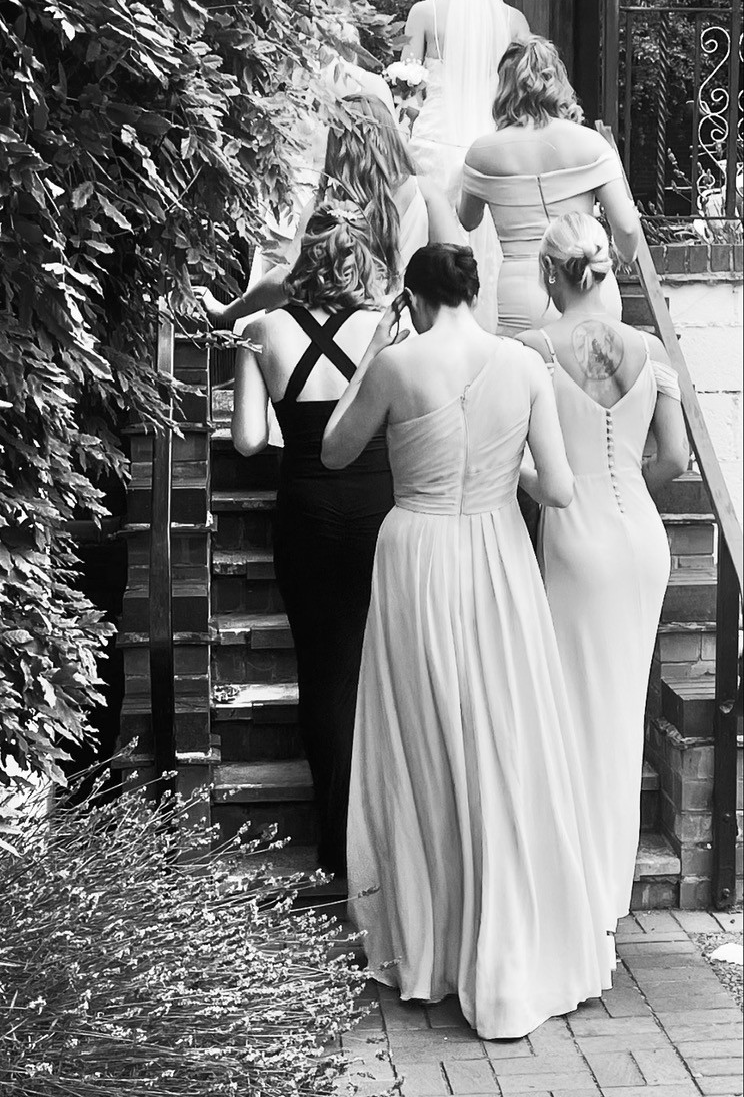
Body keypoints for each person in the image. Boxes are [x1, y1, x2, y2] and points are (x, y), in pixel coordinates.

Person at [322, 243, 613, 1039]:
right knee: (499, 737)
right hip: (497, 556)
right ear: (475, 293)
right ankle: (506, 937)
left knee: (421, 743)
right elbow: (559, 489)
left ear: (414, 299)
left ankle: (433, 946)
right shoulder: (522, 366)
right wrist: (502, 472)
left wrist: (371, 354)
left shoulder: (396, 364)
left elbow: (335, 450)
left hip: (416, 554)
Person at [517, 213, 689, 927]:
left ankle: (575, 891)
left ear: (551, 273)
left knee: (572, 716)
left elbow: (517, 457)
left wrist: (535, 483)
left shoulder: (533, 349)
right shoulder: (652, 349)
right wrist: (625, 492)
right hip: (642, 543)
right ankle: (609, 896)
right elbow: (674, 458)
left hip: (575, 540)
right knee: (619, 721)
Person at [231, 203, 396, 875]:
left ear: (302, 258)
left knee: (321, 672)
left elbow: (247, 440)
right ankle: (377, 841)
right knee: (373, 669)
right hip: (378, 507)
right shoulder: (385, 331)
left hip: (305, 509)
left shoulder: (259, 330)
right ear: (361, 258)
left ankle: (335, 843)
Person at [196, 94, 455, 326]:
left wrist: (226, 312)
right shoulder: (425, 194)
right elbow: (455, 274)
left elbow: (286, 279)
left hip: (339, 334)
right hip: (401, 331)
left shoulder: (325, 202)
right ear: (389, 137)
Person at [459, 37, 645, 337]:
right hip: (590, 286)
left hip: (522, 290)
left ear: (504, 87)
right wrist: (625, 256)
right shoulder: (590, 143)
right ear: (556, 80)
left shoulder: (481, 153)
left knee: (526, 366)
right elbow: (626, 227)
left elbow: (468, 220)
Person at [400, 0, 530, 332]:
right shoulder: (513, 21)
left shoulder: (424, 13)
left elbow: (408, 87)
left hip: (435, 142)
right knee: (485, 244)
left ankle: (424, 328)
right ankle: (484, 328)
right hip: (490, 145)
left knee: (428, 239)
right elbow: (523, 91)